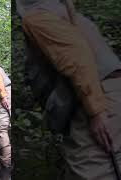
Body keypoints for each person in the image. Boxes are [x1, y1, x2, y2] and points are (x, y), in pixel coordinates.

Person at [16, 0, 121, 179]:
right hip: (111, 94)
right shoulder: (62, 10)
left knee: (92, 172)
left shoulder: (37, 17)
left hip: (100, 98)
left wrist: (97, 112)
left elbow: (77, 57)